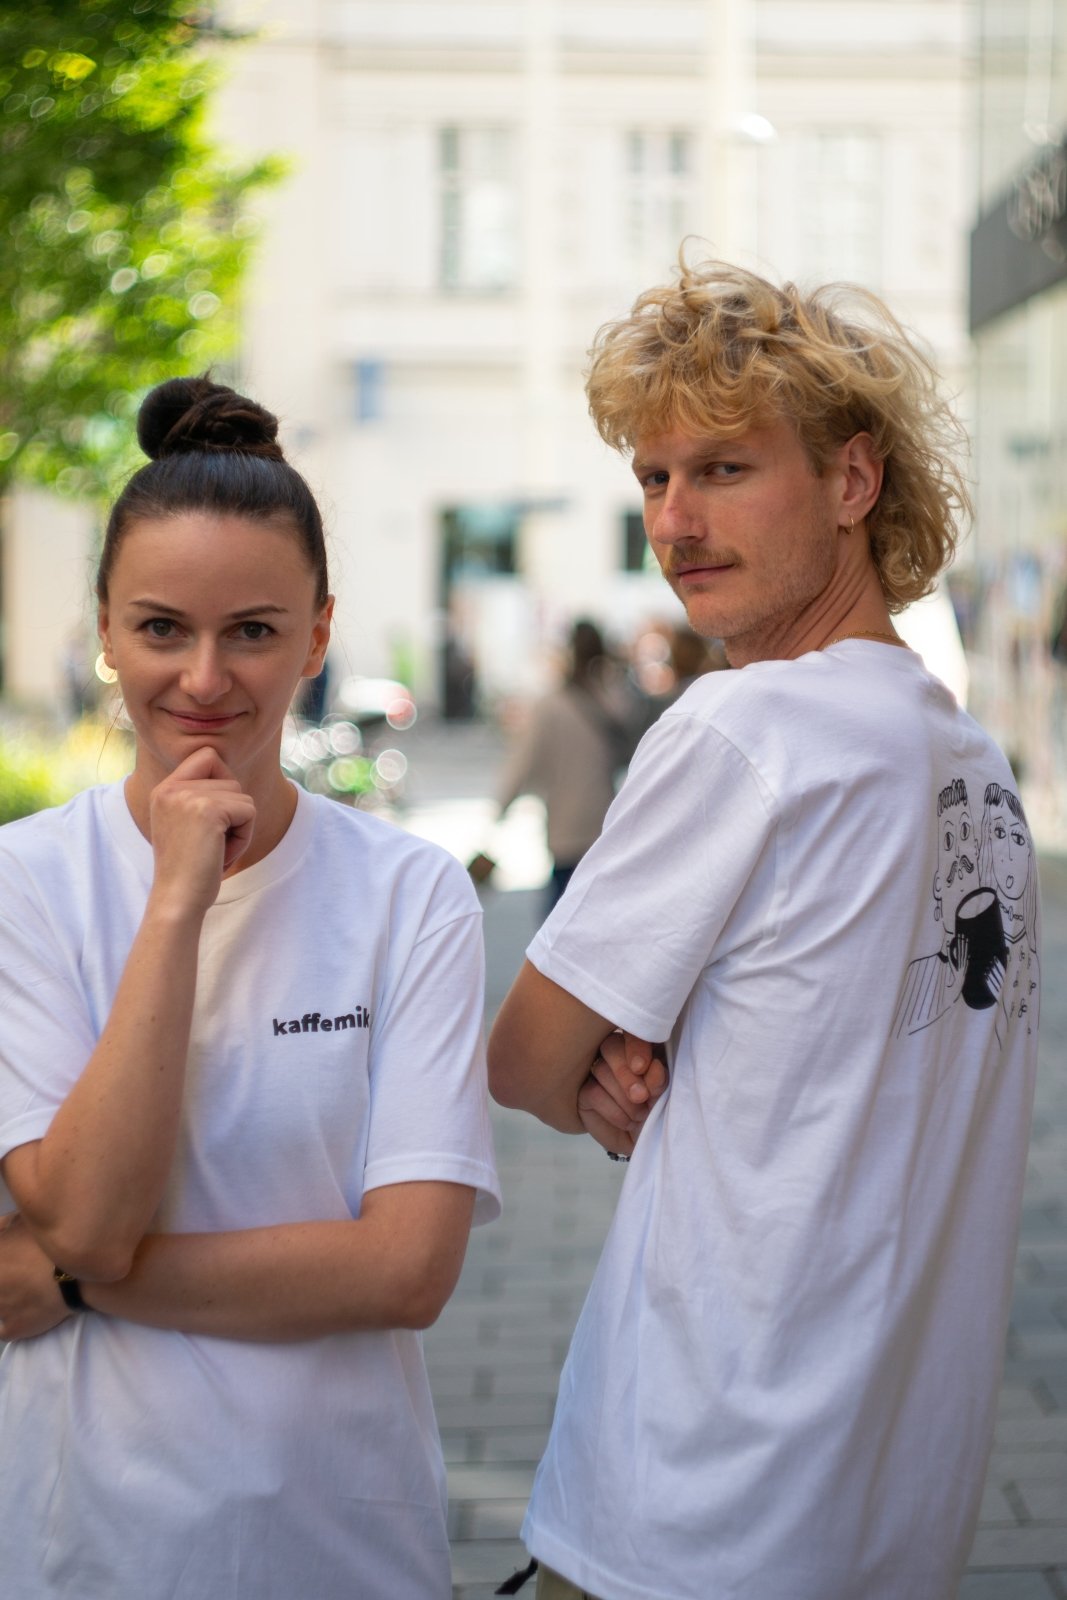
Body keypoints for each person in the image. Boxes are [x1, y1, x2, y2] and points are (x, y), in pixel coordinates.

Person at [487, 258, 1040, 1600]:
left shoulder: (744, 729)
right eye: (651, 479)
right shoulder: (965, 759)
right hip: (892, 1508)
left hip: (693, 1504)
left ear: (853, 483)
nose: (674, 520)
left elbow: (518, 1060)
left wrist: (619, 1065)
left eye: (722, 470)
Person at [0, 376, 500, 1600]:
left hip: (336, 1537)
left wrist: (67, 1283)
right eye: (162, 628)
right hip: (85, 1542)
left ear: (319, 636)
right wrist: (177, 904)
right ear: (105, 632)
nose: (206, 678)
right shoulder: (25, 884)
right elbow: (89, 1206)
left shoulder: (410, 895)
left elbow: (403, 1272)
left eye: (256, 632)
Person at [496, 618, 641, 908]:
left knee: (559, 918)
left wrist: (501, 807)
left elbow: (524, 761)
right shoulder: (615, 700)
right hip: (606, 821)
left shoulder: (551, 706)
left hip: (566, 827)